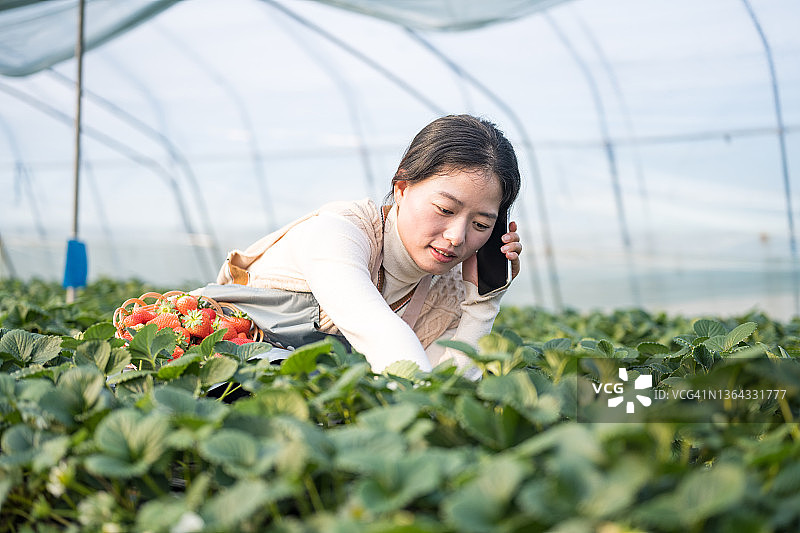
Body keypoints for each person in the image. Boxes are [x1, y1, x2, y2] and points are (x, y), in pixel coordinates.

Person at [199, 114, 522, 378]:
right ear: (402, 188)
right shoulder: (339, 231)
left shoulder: (452, 292)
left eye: (481, 225)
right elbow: (380, 334)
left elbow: (451, 388)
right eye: (445, 210)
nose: (457, 236)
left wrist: (482, 305)